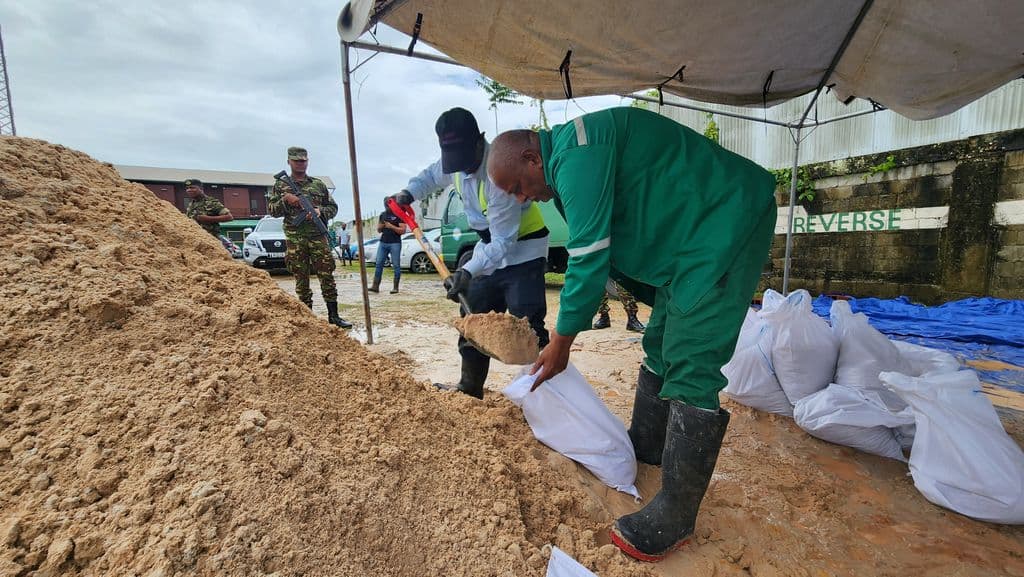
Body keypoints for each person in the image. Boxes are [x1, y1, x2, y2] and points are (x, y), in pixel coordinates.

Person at [487, 107, 776, 562]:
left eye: (519, 187)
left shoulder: (576, 155)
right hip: (690, 237)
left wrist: (561, 342)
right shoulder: (569, 156)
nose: (523, 199)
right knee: (659, 341)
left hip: (725, 222)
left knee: (692, 356)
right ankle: (646, 444)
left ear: (531, 158)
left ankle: (676, 514)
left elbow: (588, 257)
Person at [388, 107, 550, 399]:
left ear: (479, 142)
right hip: (488, 247)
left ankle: (542, 397)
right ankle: (470, 387)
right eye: (453, 161)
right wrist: (409, 193)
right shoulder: (455, 165)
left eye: (463, 159)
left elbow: (503, 243)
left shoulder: (499, 174)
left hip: (523, 251)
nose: (459, 168)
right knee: (473, 317)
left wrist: (467, 271)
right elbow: (431, 176)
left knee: (528, 329)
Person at [267, 146, 352, 329]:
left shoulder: (318, 185)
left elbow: (333, 208)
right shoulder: (281, 185)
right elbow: (272, 211)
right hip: (295, 238)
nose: (301, 164)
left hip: (317, 237)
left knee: (326, 275)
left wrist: (320, 211)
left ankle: (334, 316)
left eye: (303, 161)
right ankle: (307, 318)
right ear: (289, 162)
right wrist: (286, 200)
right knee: (301, 278)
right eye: (297, 161)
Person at [369, 204, 406, 294]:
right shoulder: (383, 215)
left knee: (396, 265)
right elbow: (378, 230)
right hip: (383, 242)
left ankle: (395, 288)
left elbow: (403, 230)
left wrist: (391, 226)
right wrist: (381, 227)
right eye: (385, 205)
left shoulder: (399, 214)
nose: (387, 207)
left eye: (388, 205)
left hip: (395, 243)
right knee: (378, 264)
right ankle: (375, 286)